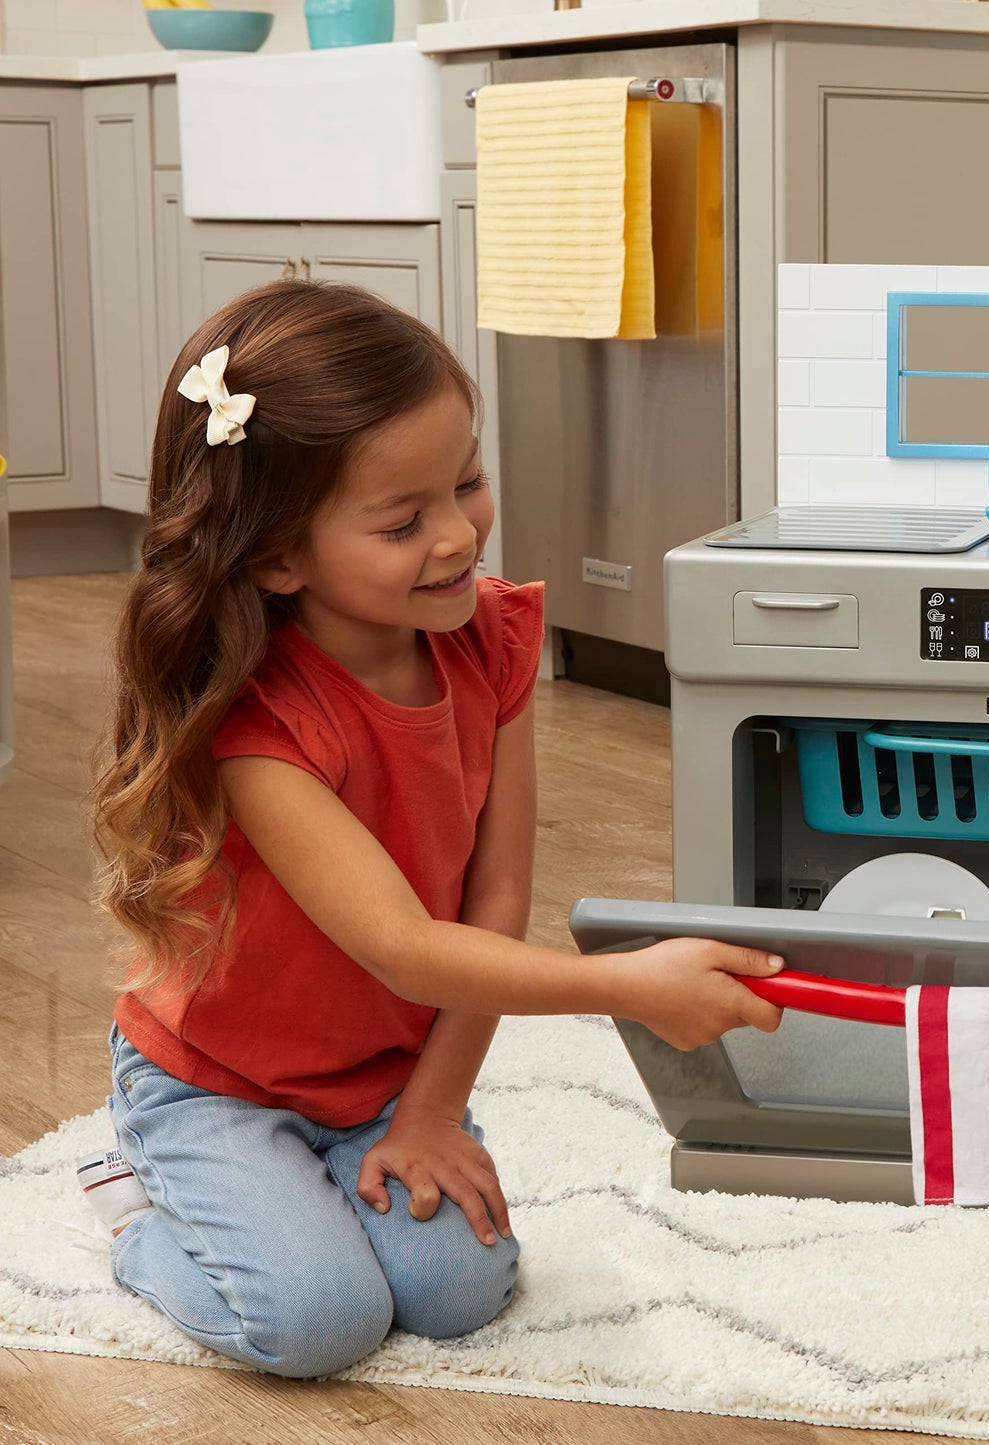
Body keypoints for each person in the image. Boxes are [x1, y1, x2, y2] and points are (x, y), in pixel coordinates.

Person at [80, 279, 784, 1379]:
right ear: (276, 556)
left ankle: (306, 1188)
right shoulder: (261, 726)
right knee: (316, 1324)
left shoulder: (490, 643)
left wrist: (432, 1109)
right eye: (404, 521)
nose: (459, 535)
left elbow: (491, 900)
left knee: (458, 1293)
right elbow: (403, 943)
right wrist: (632, 984)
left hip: (378, 1071)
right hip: (216, 1077)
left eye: (467, 481)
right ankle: (141, 1222)